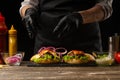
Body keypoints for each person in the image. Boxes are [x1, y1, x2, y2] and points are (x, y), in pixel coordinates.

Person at [19, 0, 113, 54]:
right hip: (46, 46)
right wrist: (28, 12)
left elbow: (105, 7)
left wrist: (80, 17)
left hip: (85, 45)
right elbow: (28, 3)